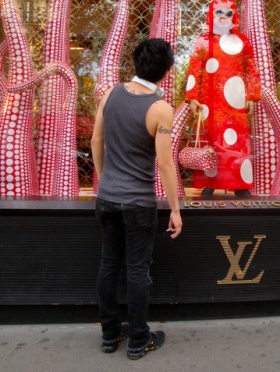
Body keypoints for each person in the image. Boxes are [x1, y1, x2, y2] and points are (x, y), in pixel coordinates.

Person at [91, 38, 182, 361]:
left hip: (107, 199)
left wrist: (105, 181)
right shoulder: (160, 109)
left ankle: (109, 334)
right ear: (166, 71)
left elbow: (96, 140)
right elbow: (165, 164)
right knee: (137, 270)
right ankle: (138, 340)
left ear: (135, 62)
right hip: (139, 204)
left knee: (108, 264)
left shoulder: (111, 94)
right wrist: (174, 208)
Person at [185, 0, 261, 197]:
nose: (224, 17)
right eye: (219, 12)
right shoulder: (203, 41)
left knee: (237, 141)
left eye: (229, 13)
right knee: (212, 139)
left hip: (235, 102)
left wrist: (252, 95)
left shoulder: (242, 42)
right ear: (212, 14)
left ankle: (239, 184)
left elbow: (251, 69)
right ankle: (210, 182)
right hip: (209, 100)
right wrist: (193, 96)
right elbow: (195, 69)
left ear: (234, 15)